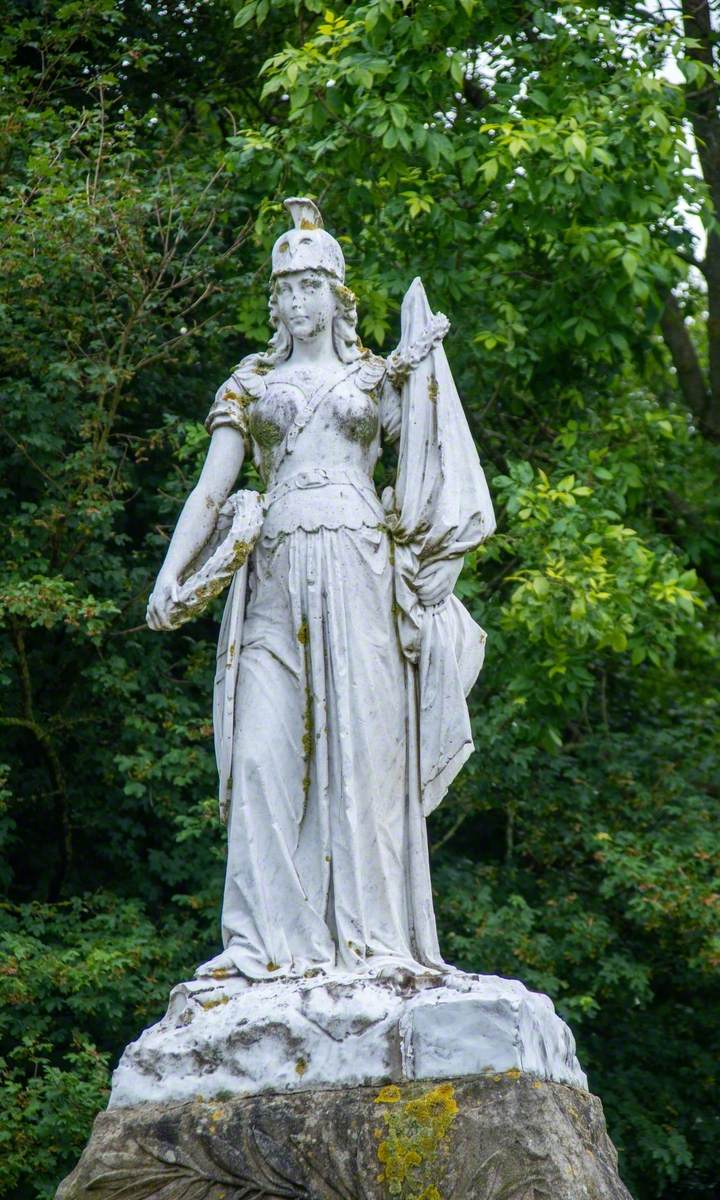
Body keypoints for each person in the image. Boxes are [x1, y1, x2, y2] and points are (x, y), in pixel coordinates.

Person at [147, 198, 494, 981]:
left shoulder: (379, 375)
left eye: (311, 286)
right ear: (274, 302)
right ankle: (257, 944)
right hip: (269, 570)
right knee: (262, 755)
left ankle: (371, 941)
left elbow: (435, 469)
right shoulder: (251, 378)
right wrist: (171, 574)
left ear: (338, 297)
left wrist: (444, 560)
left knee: (362, 754)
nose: (296, 301)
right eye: (285, 289)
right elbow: (212, 489)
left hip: (358, 568)